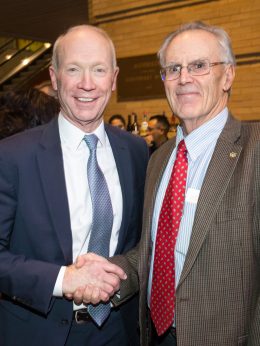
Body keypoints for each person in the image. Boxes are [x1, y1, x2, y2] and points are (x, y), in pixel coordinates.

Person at [108, 21, 260, 345]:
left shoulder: (255, 150)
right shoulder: (159, 160)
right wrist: (107, 274)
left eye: (199, 66)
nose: (184, 78)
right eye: (173, 68)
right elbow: (154, 252)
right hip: (154, 335)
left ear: (228, 75)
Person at [0, 25, 149, 346]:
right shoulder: (12, 157)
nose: (86, 84)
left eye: (98, 70)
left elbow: (141, 241)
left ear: (114, 77)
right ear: (54, 78)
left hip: (119, 330)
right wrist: (62, 279)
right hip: (38, 332)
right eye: (73, 70)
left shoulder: (136, 151)